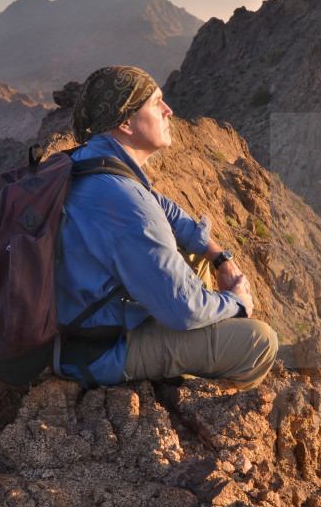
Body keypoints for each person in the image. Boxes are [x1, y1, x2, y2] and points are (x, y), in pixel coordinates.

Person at [53, 65, 277, 389]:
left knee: (194, 257)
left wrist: (219, 258)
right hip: (97, 353)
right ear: (125, 122)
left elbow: (165, 210)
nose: (168, 110)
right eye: (156, 102)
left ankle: (193, 355)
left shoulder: (90, 161)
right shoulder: (128, 206)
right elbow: (183, 312)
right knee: (260, 342)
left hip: (74, 326)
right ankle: (214, 402)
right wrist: (237, 302)